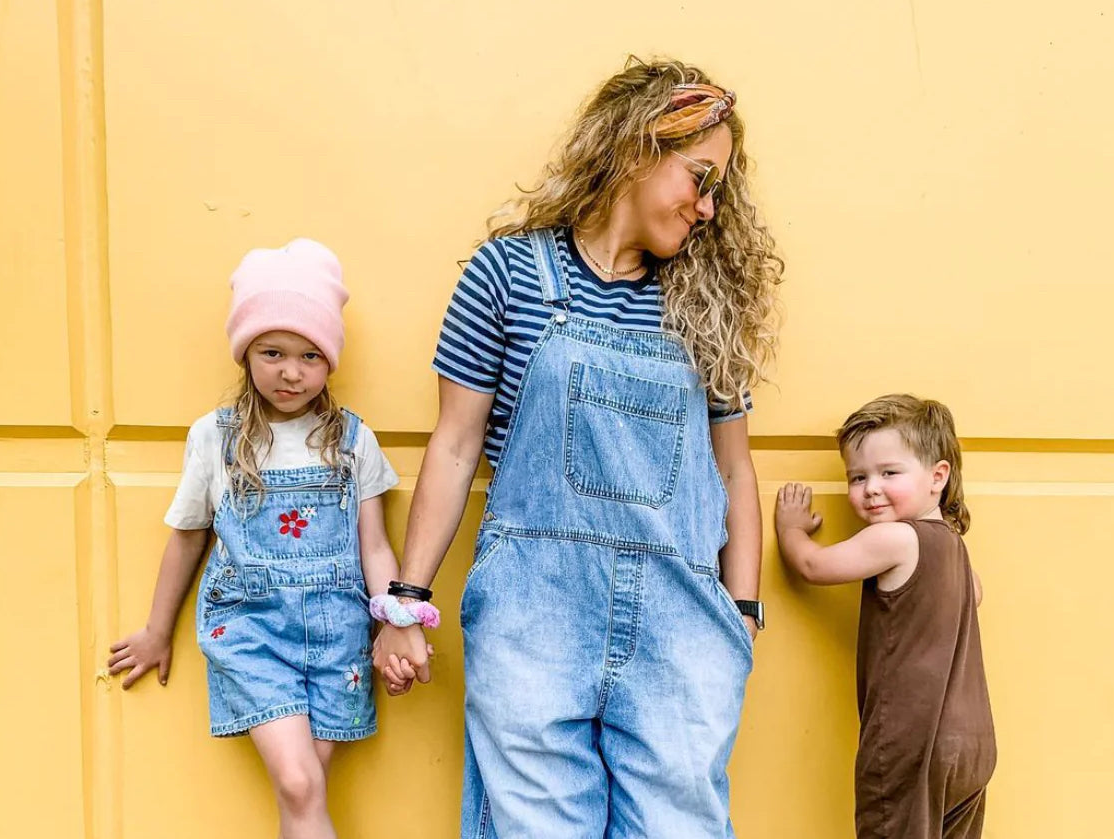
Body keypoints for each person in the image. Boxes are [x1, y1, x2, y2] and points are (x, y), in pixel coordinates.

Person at [373, 58, 782, 837]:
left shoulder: (703, 304)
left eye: (717, 190)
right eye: (698, 177)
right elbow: (455, 446)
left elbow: (734, 468)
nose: (706, 207)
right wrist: (406, 602)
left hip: (682, 629)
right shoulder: (507, 275)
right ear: (635, 147)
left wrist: (741, 615)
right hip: (536, 622)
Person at [107, 239, 401, 839]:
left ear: (330, 362)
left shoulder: (352, 440)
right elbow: (187, 538)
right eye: (272, 352)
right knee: (299, 785)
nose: (291, 372)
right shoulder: (215, 439)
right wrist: (157, 630)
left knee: (308, 788)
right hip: (253, 633)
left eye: (310, 356)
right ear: (245, 354)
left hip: (337, 637)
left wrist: (396, 622)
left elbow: (374, 546)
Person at [775, 394, 996, 839]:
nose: (870, 487)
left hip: (912, 739)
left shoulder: (895, 539)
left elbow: (814, 566)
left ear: (938, 477)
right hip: (971, 744)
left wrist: (791, 530)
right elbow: (975, 595)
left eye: (889, 473)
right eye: (857, 477)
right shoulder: (955, 548)